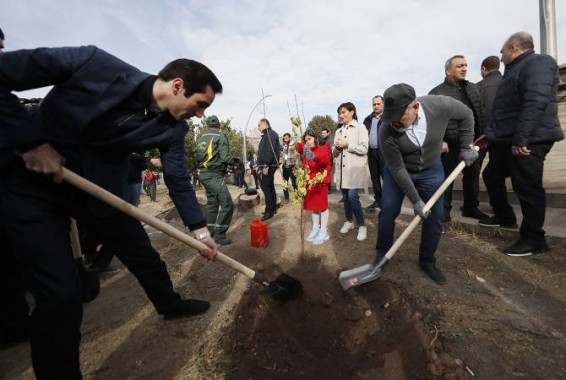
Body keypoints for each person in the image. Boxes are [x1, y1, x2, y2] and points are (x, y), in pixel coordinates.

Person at [0, 45, 221, 378]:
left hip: (99, 191)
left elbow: (176, 177)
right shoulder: (93, 64)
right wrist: (31, 142)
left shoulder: (174, 130)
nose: (201, 114)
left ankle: (170, 305)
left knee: (142, 254)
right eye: (200, 104)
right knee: (60, 294)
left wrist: (200, 230)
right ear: (178, 86)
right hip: (32, 186)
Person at [376, 83, 477, 284]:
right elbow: (396, 168)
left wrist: (466, 146)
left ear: (414, 107)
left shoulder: (439, 105)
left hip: (431, 170)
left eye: (399, 116)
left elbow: (466, 114)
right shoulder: (386, 129)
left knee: (435, 217)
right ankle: (381, 255)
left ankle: (427, 261)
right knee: (388, 210)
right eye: (391, 117)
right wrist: (415, 200)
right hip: (400, 172)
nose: (394, 122)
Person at [478, 31, 564, 256]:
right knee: (492, 175)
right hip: (510, 138)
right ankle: (506, 217)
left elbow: (535, 101)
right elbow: (507, 109)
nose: (501, 56)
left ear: (514, 48)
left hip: (529, 140)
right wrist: (491, 135)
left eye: (503, 51)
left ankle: (533, 239)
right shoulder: (515, 70)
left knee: (527, 187)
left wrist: (522, 138)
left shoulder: (538, 63)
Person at [429, 55, 488, 222]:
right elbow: (431, 120)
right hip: (450, 144)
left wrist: (483, 135)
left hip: (472, 143)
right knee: (446, 178)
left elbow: (481, 112)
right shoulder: (437, 92)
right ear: (448, 70)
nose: (464, 69)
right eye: (460, 66)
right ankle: (443, 212)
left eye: (466, 65)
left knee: (472, 176)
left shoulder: (473, 89)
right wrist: (440, 140)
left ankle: (471, 208)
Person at [196, 115, 234, 246]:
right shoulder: (220, 136)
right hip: (214, 175)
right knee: (227, 204)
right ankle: (220, 235)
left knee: (212, 204)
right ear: (219, 126)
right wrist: (234, 161)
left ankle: (209, 233)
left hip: (202, 174)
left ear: (207, 126)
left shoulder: (200, 138)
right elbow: (224, 158)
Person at [333, 102, 369, 241]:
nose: (341, 115)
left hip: (354, 170)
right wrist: (336, 148)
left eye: (343, 112)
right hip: (342, 173)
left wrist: (348, 145)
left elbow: (364, 148)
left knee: (353, 196)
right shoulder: (338, 131)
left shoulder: (360, 127)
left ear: (352, 112)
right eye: (339, 113)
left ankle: (362, 225)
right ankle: (349, 221)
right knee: (346, 198)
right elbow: (334, 153)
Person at [296, 129, 332, 245]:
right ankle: (316, 228)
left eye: (310, 139)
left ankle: (323, 230)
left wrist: (312, 155)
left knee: (322, 207)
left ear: (316, 138)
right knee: (314, 207)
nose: (308, 142)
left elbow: (324, 160)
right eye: (306, 139)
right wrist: (299, 138)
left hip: (320, 180)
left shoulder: (324, 146)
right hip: (310, 181)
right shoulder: (307, 148)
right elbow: (298, 148)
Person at [362, 95, 384, 211]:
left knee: (387, 178)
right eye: (374, 104)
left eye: (378, 104)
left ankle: (387, 202)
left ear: (383, 104)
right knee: (375, 179)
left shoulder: (388, 118)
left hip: (384, 153)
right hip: (371, 153)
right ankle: (378, 201)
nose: (376, 106)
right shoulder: (367, 119)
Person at [256, 118, 280, 221]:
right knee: (270, 188)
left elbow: (269, 150)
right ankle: (272, 208)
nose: (259, 127)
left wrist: (265, 165)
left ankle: (268, 211)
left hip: (269, 165)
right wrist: (259, 165)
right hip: (266, 165)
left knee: (266, 188)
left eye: (259, 125)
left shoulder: (270, 134)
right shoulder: (267, 134)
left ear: (265, 124)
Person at [280, 132, 299, 203]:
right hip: (285, 167)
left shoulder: (294, 144)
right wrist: (281, 162)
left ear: (290, 138)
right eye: (284, 138)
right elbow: (282, 155)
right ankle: (286, 198)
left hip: (292, 166)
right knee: (285, 183)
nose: (285, 139)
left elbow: (297, 155)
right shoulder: (284, 146)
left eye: (287, 138)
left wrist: (296, 164)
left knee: (294, 183)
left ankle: (296, 197)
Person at [321, 128, 333, 192]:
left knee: (327, 173)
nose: (323, 134)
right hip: (323, 159)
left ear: (328, 133)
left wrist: (329, 159)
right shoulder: (322, 140)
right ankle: (326, 188)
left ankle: (329, 189)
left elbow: (330, 150)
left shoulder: (329, 140)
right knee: (324, 173)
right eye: (322, 133)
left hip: (328, 159)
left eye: (324, 133)